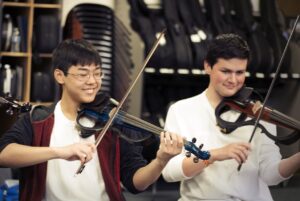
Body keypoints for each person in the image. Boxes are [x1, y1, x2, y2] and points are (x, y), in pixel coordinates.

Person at [0, 39, 184, 201]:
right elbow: (4, 155)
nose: (92, 81)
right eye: (83, 74)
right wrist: (59, 152)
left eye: (97, 73)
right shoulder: (38, 119)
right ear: (59, 76)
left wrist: (160, 161)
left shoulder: (110, 123)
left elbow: (136, 184)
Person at [162, 33, 300, 201]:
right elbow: (169, 172)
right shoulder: (181, 110)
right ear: (207, 66)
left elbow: (270, 175)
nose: (233, 80)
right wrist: (213, 155)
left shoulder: (258, 113)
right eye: (226, 71)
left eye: (240, 72)